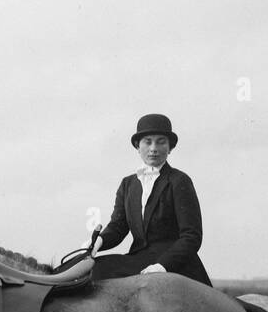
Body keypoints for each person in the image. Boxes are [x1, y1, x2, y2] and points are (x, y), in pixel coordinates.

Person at [90, 113, 211, 286]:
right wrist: (96, 243)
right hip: (139, 259)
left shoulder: (179, 181)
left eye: (161, 142)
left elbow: (191, 236)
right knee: (94, 269)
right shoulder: (128, 184)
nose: (153, 148)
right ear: (138, 147)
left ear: (170, 148)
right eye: (147, 141)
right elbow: (118, 227)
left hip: (175, 264)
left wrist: (163, 266)